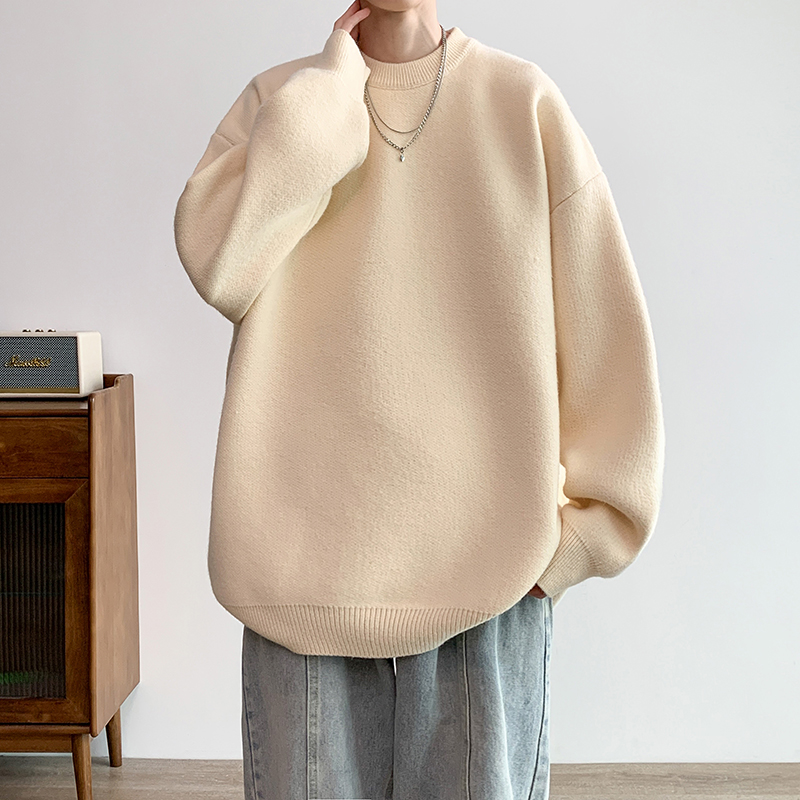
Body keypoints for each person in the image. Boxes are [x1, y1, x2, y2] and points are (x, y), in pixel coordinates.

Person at [173, 1, 665, 797]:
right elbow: (222, 265)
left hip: (489, 573)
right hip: (301, 578)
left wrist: (585, 536)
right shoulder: (281, 103)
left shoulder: (522, 103)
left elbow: (607, 337)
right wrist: (331, 91)